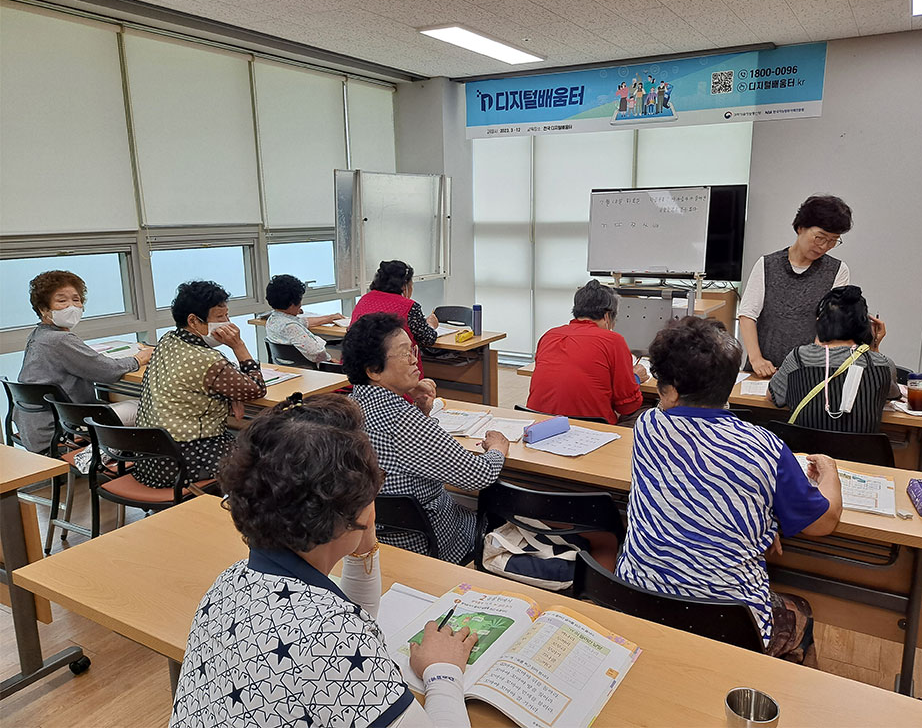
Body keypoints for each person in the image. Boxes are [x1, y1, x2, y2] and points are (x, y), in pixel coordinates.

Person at [170, 393, 478, 728]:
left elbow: (351, 614)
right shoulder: (332, 637)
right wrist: (442, 670)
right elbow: (337, 634)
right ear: (346, 509)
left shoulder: (229, 581)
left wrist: (362, 533)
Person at [616, 317, 842, 664]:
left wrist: (761, 524)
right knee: (802, 612)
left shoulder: (648, 426)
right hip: (727, 623)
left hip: (635, 601)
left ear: (672, 390)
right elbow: (823, 522)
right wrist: (830, 470)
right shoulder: (764, 447)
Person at [343, 312, 509, 564]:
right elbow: (478, 476)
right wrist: (497, 448)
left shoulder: (348, 406)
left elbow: (401, 452)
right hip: (429, 543)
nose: (414, 361)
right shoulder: (401, 418)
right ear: (374, 370)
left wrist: (420, 413)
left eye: (413, 351)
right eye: (404, 354)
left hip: (374, 537)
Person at [135, 280, 266, 488]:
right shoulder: (207, 360)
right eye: (220, 317)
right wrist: (239, 346)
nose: (229, 323)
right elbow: (257, 389)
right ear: (194, 321)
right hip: (185, 460)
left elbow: (200, 380)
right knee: (265, 462)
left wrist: (230, 392)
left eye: (227, 315)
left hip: (149, 457)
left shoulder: (167, 340)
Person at [738, 195, 879, 378]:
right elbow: (747, 315)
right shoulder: (767, 265)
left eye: (833, 241)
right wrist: (756, 359)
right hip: (764, 369)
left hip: (808, 373)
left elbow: (829, 324)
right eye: (820, 238)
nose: (824, 246)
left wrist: (809, 364)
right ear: (800, 228)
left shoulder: (837, 270)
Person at [14, 270, 153, 453]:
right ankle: (138, 464)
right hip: (62, 429)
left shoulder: (38, 335)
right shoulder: (60, 340)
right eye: (62, 301)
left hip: (36, 428)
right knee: (145, 407)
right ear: (43, 309)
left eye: (76, 299)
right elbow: (107, 372)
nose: (71, 306)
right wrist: (138, 359)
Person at [768, 285, 900, 433]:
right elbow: (887, 396)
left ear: (820, 322)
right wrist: (874, 345)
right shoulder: (884, 364)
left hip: (805, 453)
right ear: (864, 325)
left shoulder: (799, 357)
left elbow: (773, 395)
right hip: (858, 455)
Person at [527, 280, 649, 426]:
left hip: (539, 423)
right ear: (607, 316)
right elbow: (628, 406)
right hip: (590, 428)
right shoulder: (612, 340)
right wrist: (635, 377)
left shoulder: (549, 335)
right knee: (647, 409)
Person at [350, 260, 438, 379]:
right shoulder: (409, 306)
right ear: (404, 286)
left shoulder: (364, 299)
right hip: (394, 372)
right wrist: (431, 325)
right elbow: (427, 339)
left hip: (358, 370)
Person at [264, 273, 345, 364]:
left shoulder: (273, 320)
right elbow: (317, 353)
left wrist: (328, 318)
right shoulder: (291, 326)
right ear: (292, 304)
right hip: (308, 371)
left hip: (285, 369)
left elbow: (304, 322)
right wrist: (329, 359)